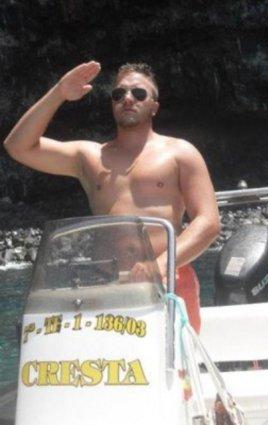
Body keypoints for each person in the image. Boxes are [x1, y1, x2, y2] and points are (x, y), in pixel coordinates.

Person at [3, 61, 220, 333]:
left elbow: (209, 222)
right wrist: (59, 93)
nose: (128, 98)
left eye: (138, 93)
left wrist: (161, 265)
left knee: (172, 359)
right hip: (107, 286)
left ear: (154, 106)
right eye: (119, 94)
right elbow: (17, 146)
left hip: (170, 280)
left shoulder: (181, 153)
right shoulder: (89, 157)